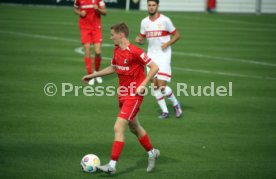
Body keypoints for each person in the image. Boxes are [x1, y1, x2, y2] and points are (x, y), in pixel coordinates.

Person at [82, 22, 160, 175]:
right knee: (134, 127)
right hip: (123, 94)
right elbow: (113, 67)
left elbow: (155, 67)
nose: (111, 38)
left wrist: (143, 84)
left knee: (118, 127)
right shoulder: (117, 50)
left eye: (112, 35)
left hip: (134, 95)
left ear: (121, 34)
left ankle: (112, 165)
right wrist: (93, 75)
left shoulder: (136, 52)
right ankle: (152, 153)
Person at [135, 0, 183, 119]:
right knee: (155, 86)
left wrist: (168, 43)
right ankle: (165, 112)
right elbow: (142, 39)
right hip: (151, 56)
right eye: (149, 5)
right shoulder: (144, 22)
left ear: (157, 6)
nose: (151, 7)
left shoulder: (165, 20)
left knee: (161, 86)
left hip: (164, 55)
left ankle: (176, 104)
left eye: (153, 5)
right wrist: (139, 40)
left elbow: (177, 35)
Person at [74, 0, 106, 85]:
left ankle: (97, 72)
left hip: (96, 28)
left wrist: (98, 9)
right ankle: (90, 75)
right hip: (84, 28)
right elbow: (75, 9)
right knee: (87, 51)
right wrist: (80, 13)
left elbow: (104, 12)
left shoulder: (99, 0)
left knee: (98, 52)